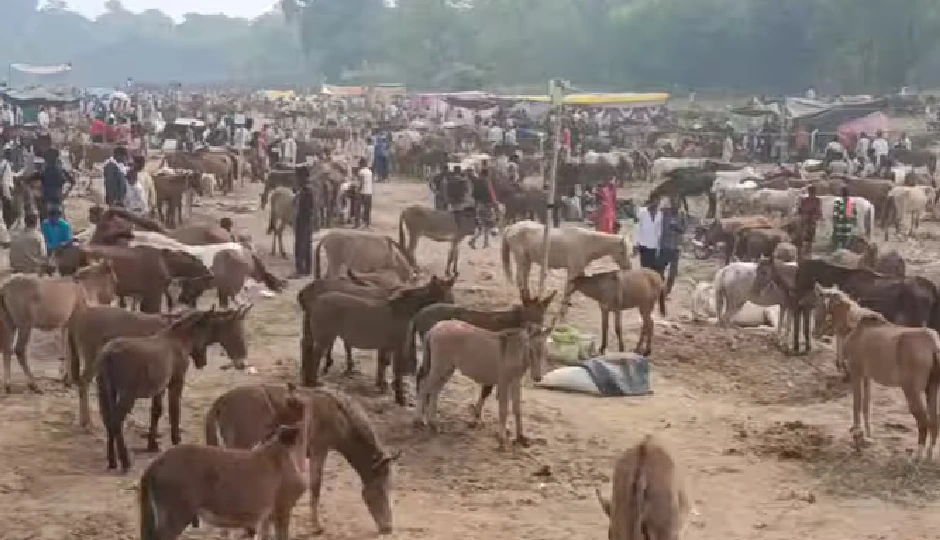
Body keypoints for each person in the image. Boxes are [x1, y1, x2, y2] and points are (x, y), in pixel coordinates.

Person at [291, 168, 317, 278]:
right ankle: (307, 269)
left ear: (301, 178)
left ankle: (299, 270)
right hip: (308, 220)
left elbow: (304, 208)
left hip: (303, 220)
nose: (296, 180)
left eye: (297, 177)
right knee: (307, 245)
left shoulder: (305, 191)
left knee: (300, 245)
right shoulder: (308, 189)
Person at [658, 196, 686, 297]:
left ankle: (667, 291)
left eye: (677, 204)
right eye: (674, 203)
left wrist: (676, 227)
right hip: (664, 246)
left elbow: (683, 229)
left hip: (675, 247)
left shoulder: (682, 215)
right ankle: (660, 289)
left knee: (673, 272)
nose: (676, 206)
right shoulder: (663, 213)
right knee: (660, 269)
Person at [469, 165, 497, 249]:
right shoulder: (487, 182)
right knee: (488, 225)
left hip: (479, 205)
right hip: (487, 206)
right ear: (487, 174)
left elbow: (473, 194)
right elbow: (491, 194)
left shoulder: (477, 182)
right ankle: (485, 243)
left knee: (481, 226)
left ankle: (474, 241)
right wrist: (494, 203)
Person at [40, 148, 70, 218]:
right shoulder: (60, 169)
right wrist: (65, 193)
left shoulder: (49, 170)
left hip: (50, 199)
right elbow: (70, 181)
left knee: (49, 220)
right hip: (56, 198)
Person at [634, 197, 662, 270]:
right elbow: (638, 228)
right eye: (654, 202)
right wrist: (636, 243)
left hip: (654, 245)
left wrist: (659, 245)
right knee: (644, 267)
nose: (655, 204)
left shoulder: (660, 214)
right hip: (643, 244)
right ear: (650, 202)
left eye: (657, 202)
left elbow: (659, 231)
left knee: (653, 268)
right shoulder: (642, 212)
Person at [797, 184, 822, 259]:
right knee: (806, 237)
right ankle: (804, 252)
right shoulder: (815, 200)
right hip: (807, 221)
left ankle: (805, 252)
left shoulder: (809, 200)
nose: (812, 193)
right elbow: (800, 210)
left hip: (808, 221)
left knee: (807, 237)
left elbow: (800, 210)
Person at [832, 186, 856, 251]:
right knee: (846, 242)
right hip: (848, 226)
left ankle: (839, 254)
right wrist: (853, 224)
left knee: (838, 243)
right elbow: (854, 214)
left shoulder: (838, 201)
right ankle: (844, 253)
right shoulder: (852, 202)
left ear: (841, 193)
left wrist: (834, 224)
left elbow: (835, 214)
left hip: (840, 225)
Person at [356, 157, 374, 228]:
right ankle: (367, 224)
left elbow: (361, 182)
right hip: (369, 192)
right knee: (367, 209)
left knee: (358, 208)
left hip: (362, 192)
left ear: (361, 164)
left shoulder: (361, 172)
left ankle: (357, 224)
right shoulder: (370, 172)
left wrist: (358, 191)